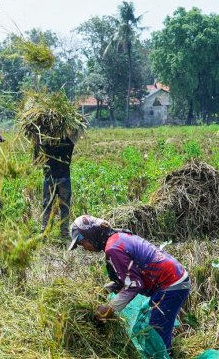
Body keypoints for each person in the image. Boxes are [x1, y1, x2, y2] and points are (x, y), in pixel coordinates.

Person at [68, 215, 190, 355]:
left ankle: (164, 355)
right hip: (171, 280)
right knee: (156, 329)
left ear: (91, 234)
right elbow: (130, 276)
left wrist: (109, 309)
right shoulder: (117, 237)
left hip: (171, 284)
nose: (84, 248)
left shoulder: (113, 249)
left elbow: (133, 285)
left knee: (155, 334)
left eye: (82, 242)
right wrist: (106, 289)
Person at [37, 134, 75, 237]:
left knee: (47, 205)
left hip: (50, 178)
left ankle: (44, 231)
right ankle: (64, 232)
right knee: (65, 206)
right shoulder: (69, 142)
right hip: (64, 178)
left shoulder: (45, 142)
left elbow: (38, 156)